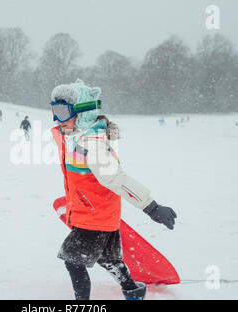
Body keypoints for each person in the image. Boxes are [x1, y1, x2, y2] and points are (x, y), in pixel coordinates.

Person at [49, 79, 177, 300]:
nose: (56, 118)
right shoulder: (79, 137)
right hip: (102, 213)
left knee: (73, 261)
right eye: (54, 110)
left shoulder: (91, 143)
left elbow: (116, 178)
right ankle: (133, 290)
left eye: (62, 111)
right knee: (108, 259)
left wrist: (151, 207)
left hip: (93, 216)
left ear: (83, 113)